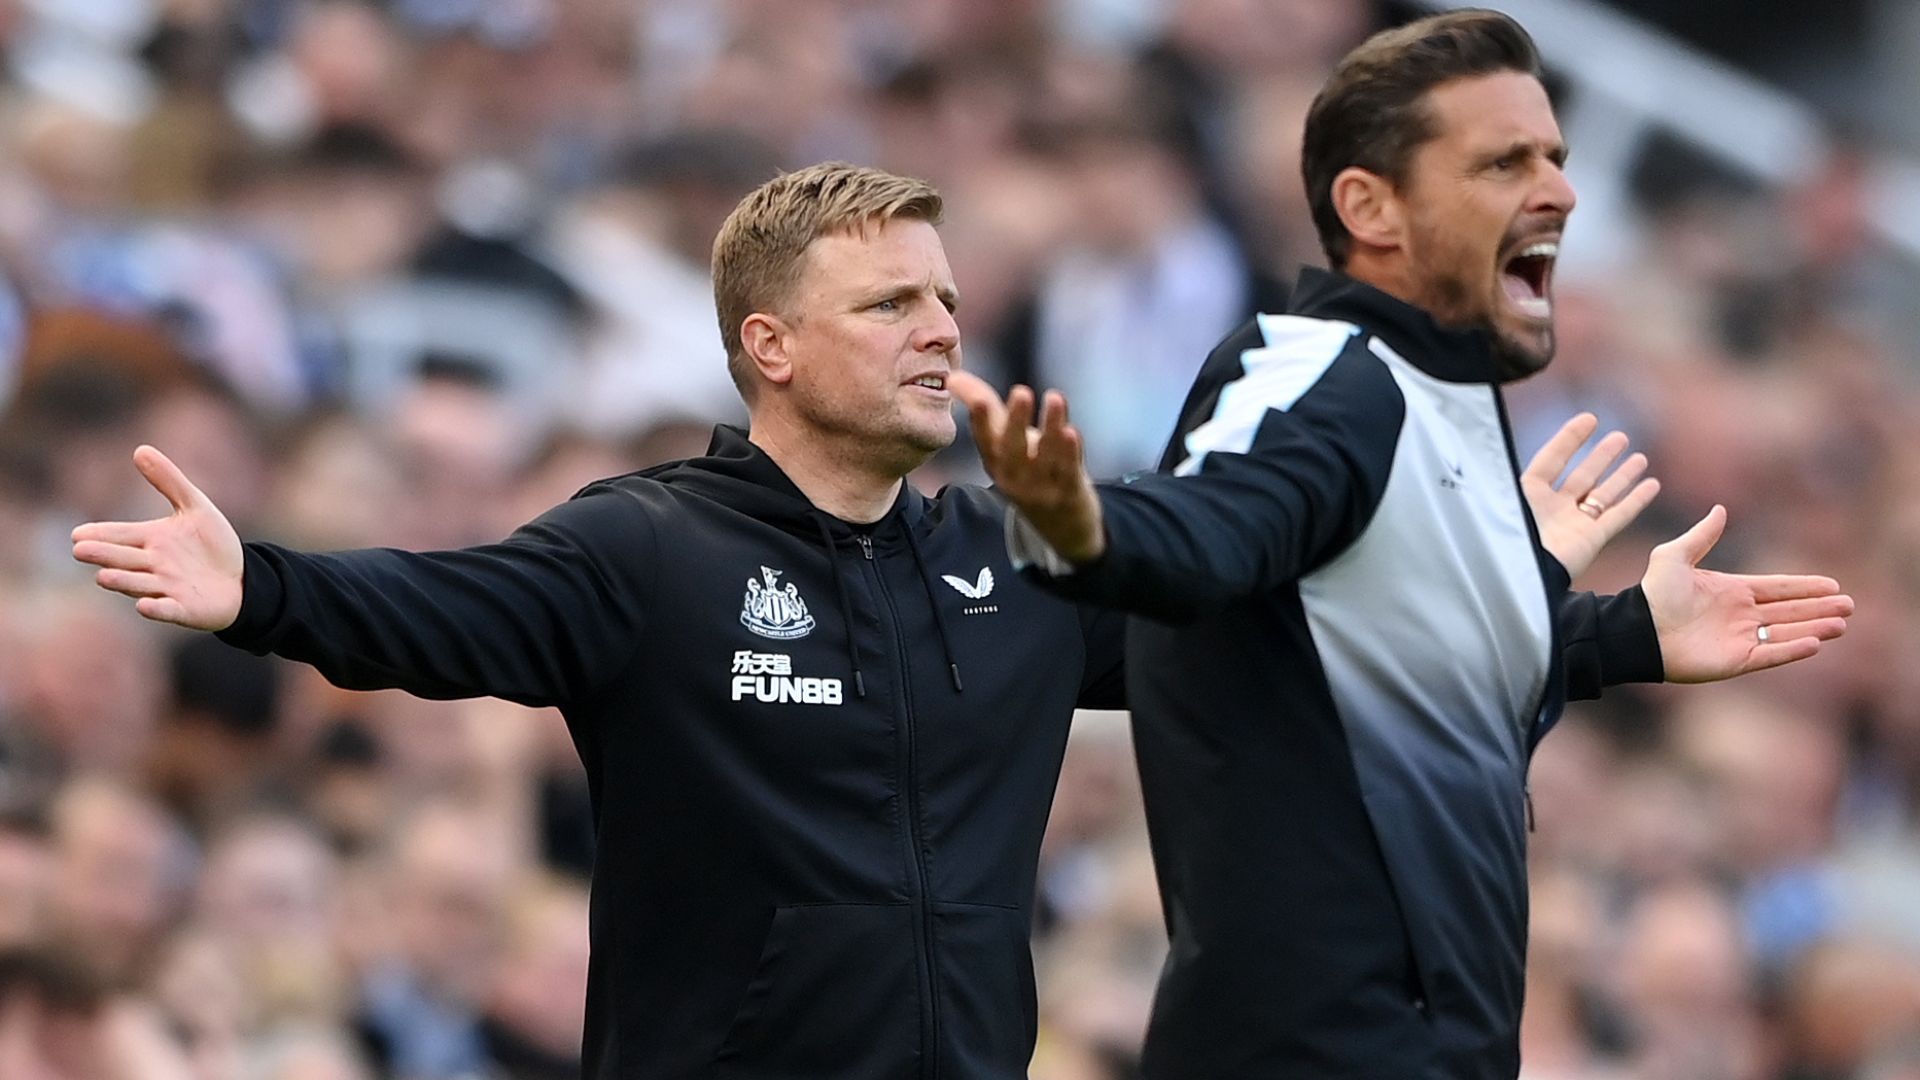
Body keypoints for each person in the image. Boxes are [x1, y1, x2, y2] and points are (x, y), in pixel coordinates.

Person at [71, 162, 1128, 1079]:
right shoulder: (653, 547)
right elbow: (445, 608)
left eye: (943, 297)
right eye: (890, 304)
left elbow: (1232, 629)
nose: (944, 328)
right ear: (773, 346)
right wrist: (260, 586)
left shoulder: (1022, 555)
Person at [949, 11, 1854, 1079]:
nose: (1558, 190)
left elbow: (1388, 665)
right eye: (1504, 161)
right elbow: (1210, 533)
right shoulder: (1323, 375)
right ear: (1370, 206)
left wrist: (1618, 635)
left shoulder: (1438, 402)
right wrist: (1082, 523)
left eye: (1556, 158)